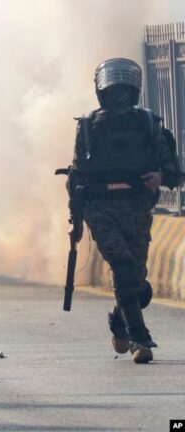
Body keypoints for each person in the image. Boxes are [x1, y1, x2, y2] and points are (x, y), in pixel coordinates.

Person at [68, 58, 184, 364]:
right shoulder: (88, 127)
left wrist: (161, 177)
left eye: (124, 92)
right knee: (121, 265)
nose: (119, 99)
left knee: (137, 285)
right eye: (113, 92)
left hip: (136, 209)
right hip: (100, 209)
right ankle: (139, 339)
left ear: (134, 93)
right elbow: (76, 176)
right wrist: (76, 221)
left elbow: (174, 172)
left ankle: (118, 319)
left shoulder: (150, 126)